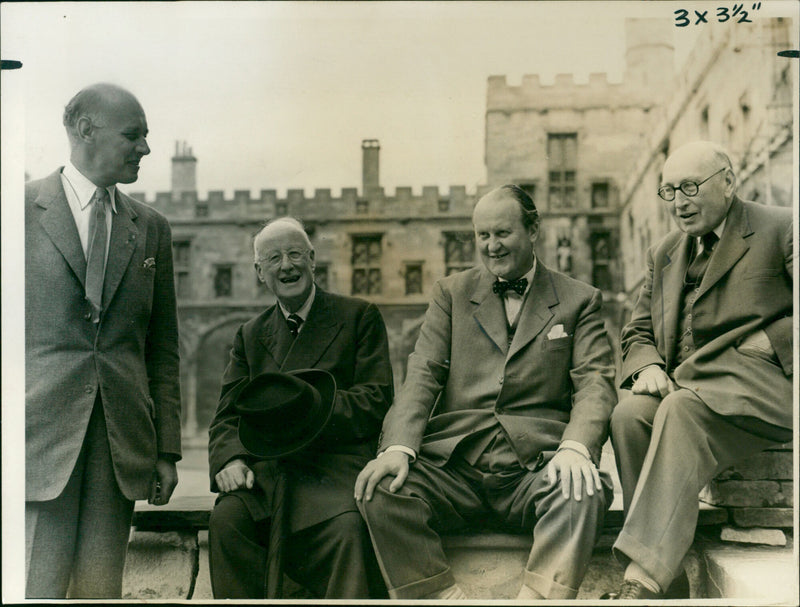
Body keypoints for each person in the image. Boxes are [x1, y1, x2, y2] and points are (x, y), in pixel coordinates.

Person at [355, 184, 617, 600]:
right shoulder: (451, 294)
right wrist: (398, 448)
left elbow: (595, 381)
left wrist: (575, 447)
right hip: (456, 469)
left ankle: (538, 599)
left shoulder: (579, 300)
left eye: (502, 234)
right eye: (482, 236)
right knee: (382, 488)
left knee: (584, 487)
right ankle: (439, 597)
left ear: (533, 230)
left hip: (532, 470)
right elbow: (422, 373)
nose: (491, 246)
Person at [607, 141, 793, 600]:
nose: (679, 203)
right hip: (688, 394)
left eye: (690, 187)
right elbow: (636, 331)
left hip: (760, 394)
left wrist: (775, 339)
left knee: (679, 412)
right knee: (628, 417)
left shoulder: (781, 226)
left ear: (728, 182)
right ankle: (667, 583)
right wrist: (647, 364)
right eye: (668, 191)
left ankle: (642, 580)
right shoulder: (664, 252)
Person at [25, 83, 182, 598]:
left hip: (120, 451)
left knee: (101, 592)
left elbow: (161, 350)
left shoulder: (152, 228)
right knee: (32, 588)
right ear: (85, 131)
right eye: (133, 135)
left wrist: (167, 452)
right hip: (35, 446)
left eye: (147, 137)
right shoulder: (17, 212)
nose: (145, 149)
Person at [207, 217, 393, 599]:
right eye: (273, 258)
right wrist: (230, 461)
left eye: (295, 254)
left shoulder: (359, 316)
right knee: (227, 520)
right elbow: (227, 415)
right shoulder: (251, 334)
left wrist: (306, 410)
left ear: (312, 260)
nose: (286, 266)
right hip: (267, 472)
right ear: (260, 272)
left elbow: (376, 398)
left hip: (334, 468)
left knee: (347, 530)